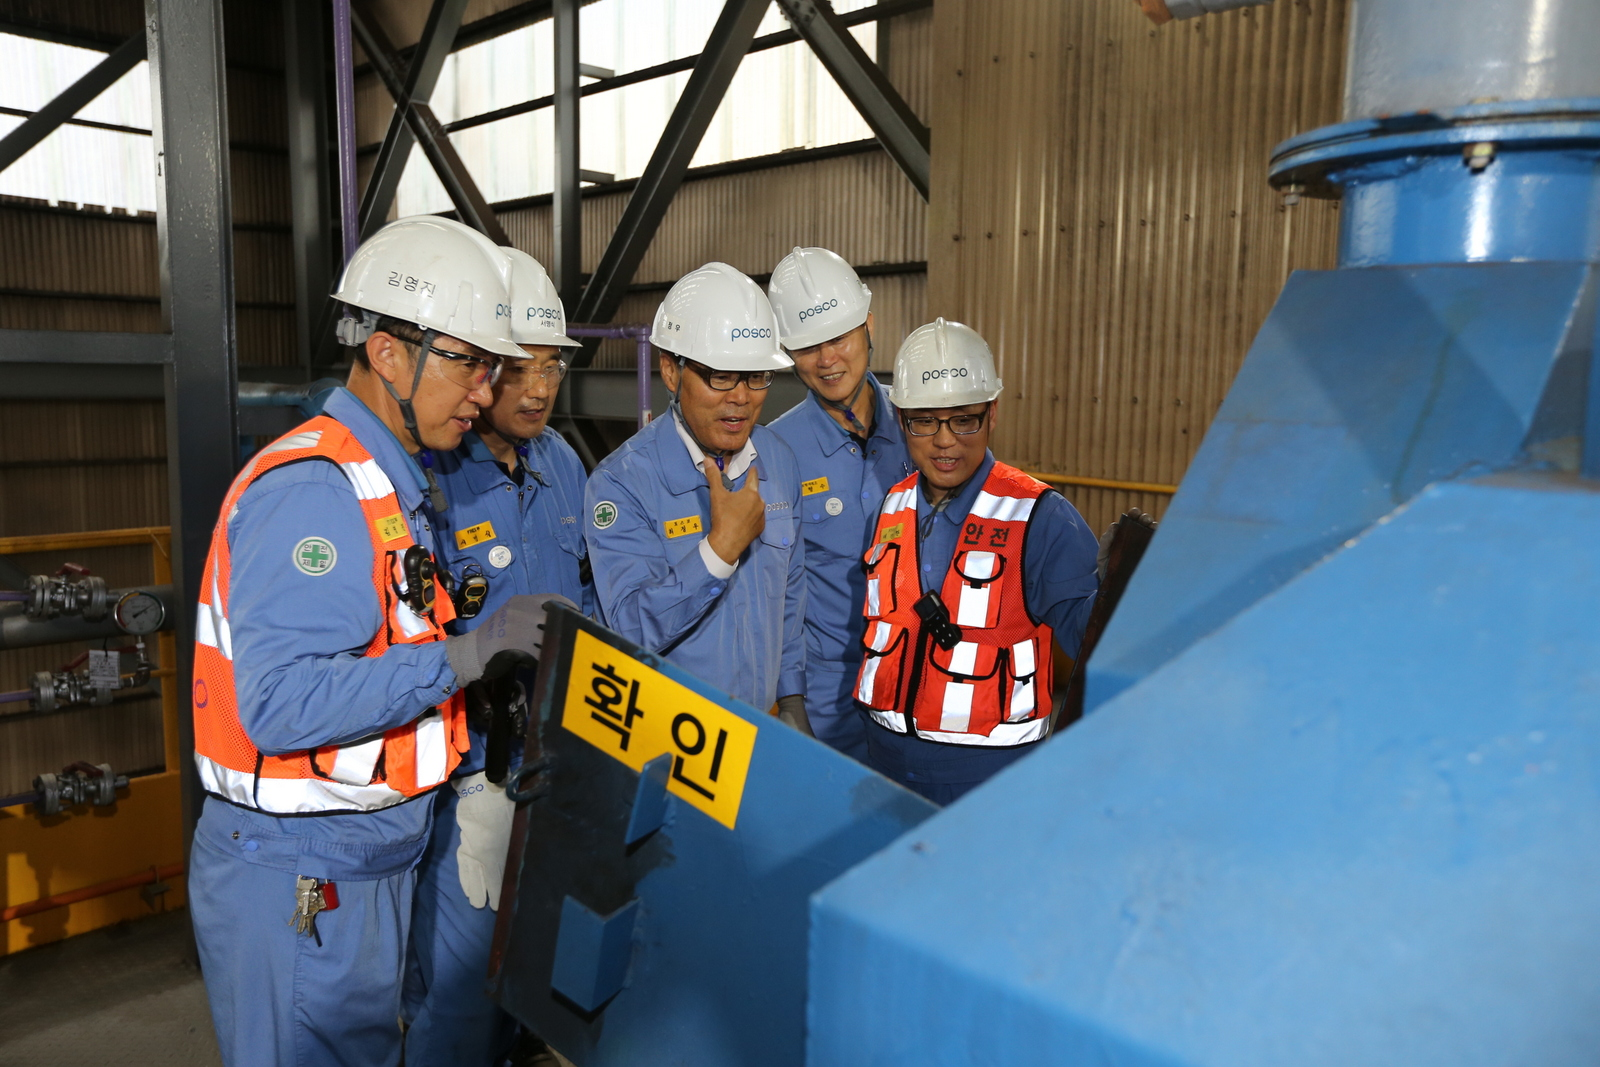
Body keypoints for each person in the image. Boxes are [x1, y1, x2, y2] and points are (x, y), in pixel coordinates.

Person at [187, 215, 563, 1067]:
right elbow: (281, 703)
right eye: (469, 362)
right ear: (390, 352)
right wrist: (462, 657)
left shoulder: (390, 483)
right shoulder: (317, 488)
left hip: (362, 861)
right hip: (301, 869)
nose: (484, 390)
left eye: (491, 368)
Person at [402, 248, 592, 1065]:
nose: (541, 387)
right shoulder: (431, 477)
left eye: (552, 366)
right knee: (458, 996)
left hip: (554, 771)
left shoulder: (563, 463)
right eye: (520, 366)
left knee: (535, 987)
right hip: (466, 784)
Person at [853, 318, 1099, 805]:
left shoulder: (1042, 519)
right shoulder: (889, 509)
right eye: (925, 420)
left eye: (964, 418)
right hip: (881, 767)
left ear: (993, 414)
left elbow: (1105, 642)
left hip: (991, 784)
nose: (945, 441)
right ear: (901, 419)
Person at [584, 261, 807, 721]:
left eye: (756, 376)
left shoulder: (779, 460)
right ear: (670, 371)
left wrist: (791, 700)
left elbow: (789, 599)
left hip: (762, 726)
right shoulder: (622, 482)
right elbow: (628, 628)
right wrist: (719, 552)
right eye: (720, 375)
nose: (741, 397)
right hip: (673, 742)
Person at [767, 247, 914, 761]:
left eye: (839, 338)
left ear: (869, 324)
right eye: (808, 346)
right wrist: (792, 704)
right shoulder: (774, 453)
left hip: (922, 680)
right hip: (830, 698)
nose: (827, 359)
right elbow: (777, 592)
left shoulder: (921, 428)